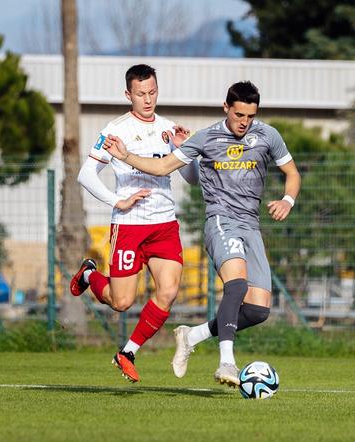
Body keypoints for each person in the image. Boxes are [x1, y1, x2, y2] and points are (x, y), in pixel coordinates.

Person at [103, 81, 301, 387]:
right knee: (235, 285)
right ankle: (226, 363)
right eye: (238, 115)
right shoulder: (206, 138)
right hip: (221, 220)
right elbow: (163, 167)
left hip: (251, 225)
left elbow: (292, 173)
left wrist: (288, 200)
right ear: (226, 108)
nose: (243, 122)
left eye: (249, 116)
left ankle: (192, 335)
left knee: (259, 310)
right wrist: (126, 155)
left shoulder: (268, 135)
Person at [69, 64, 196, 383]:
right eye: (141, 94)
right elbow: (86, 174)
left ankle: (127, 352)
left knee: (168, 291)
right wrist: (116, 200)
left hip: (164, 225)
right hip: (129, 224)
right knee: (121, 302)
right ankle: (89, 274)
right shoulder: (116, 130)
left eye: (152, 92)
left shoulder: (168, 128)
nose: (148, 99)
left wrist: (183, 152)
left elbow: (191, 179)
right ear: (129, 94)